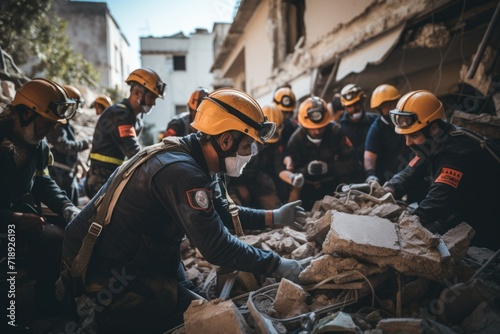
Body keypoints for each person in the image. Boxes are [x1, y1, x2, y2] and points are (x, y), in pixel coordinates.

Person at [60, 88, 307, 332]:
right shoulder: (183, 173)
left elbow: (222, 214)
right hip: (108, 271)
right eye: (248, 145)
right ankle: (102, 321)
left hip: (147, 254)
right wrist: (276, 263)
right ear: (226, 140)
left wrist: (274, 216)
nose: (251, 153)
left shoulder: (196, 157)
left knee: (201, 307)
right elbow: (217, 247)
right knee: (195, 321)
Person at [0, 78, 81, 319]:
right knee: (9, 257)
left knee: (56, 237)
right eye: (48, 123)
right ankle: (8, 320)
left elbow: (42, 180)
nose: (53, 129)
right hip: (8, 220)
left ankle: (45, 304)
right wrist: (15, 218)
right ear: (25, 115)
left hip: (15, 215)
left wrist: (67, 207)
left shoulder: (39, 145)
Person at [383, 90, 500, 250]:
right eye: (405, 136)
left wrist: (402, 226)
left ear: (434, 128)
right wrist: (390, 188)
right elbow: (410, 172)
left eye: (414, 135)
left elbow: (437, 202)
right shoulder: (434, 141)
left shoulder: (458, 152)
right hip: (462, 209)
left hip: (487, 219)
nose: (408, 143)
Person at [84, 68, 165, 199]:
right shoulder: (120, 114)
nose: (154, 103)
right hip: (101, 180)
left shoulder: (135, 119)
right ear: (138, 93)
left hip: (111, 177)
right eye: (152, 97)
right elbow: (134, 152)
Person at [285, 96, 359, 211]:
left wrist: (328, 168)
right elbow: (290, 174)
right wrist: (306, 171)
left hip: (333, 186)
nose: (317, 131)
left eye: (321, 127)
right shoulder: (295, 141)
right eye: (312, 128)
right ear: (304, 125)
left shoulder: (336, 132)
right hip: (307, 191)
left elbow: (353, 163)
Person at [227, 103, 287, 209]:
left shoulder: (274, 145)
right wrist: (239, 185)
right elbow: (226, 170)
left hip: (257, 181)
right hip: (232, 183)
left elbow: (278, 168)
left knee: (277, 212)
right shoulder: (240, 138)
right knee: (234, 210)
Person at [47, 85, 92, 205]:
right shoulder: (57, 124)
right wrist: (85, 143)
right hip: (59, 177)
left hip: (67, 176)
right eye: (73, 107)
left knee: (72, 209)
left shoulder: (66, 124)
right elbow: (63, 146)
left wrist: (80, 164)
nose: (75, 112)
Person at [364, 84, 414, 185]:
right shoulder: (376, 129)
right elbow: (369, 156)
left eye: (393, 104)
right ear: (379, 109)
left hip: (412, 175)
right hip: (388, 180)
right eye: (387, 106)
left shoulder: (407, 121)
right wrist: (370, 174)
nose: (392, 108)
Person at [339, 84, 378, 182]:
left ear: (362, 102)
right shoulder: (339, 128)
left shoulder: (375, 121)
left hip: (377, 173)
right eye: (349, 106)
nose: (353, 109)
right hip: (350, 178)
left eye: (355, 104)